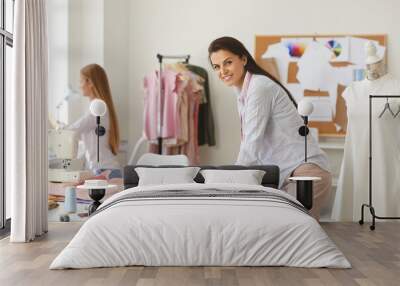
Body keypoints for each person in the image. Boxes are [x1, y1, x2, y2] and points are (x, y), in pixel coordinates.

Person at [208, 36, 331, 220]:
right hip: (287, 174)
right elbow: (253, 148)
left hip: (304, 173)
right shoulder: (242, 92)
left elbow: (251, 144)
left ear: (243, 59)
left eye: (228, 62)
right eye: (217, 67)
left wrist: (229, 181)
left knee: (292, 238)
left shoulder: (259, 88)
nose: (222, 71)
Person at [332, 41, 400, 221]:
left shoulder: (396, 87)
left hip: (386, 159)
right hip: (356, 156)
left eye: (375, 62)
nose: (372, 66)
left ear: (381, 63)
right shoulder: (351, 90)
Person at [65, 63, 121, 179]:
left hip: (105, 170)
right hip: (105, 168)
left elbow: (73, 130)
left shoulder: (98, 108)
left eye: (81, 81)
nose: (79, 85)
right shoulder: (98, 106)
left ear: (90, 83)